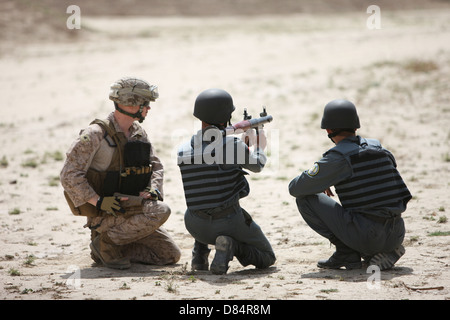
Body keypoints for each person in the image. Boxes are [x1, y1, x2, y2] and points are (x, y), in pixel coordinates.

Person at [60, 77, 181, 269]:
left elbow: (156, 165)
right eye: (145, 103)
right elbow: (69, 175)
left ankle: (113, 248)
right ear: (131, 103)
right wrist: (98, 201)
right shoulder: (95, 134)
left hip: (131, 209)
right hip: (106, 213)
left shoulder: (137, 132)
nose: (148, 108)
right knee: (161, 210)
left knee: (169, 255)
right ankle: (105, 243)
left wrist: (153, 190)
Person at [289, 99, 411, 270]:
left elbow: (295, 188)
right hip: (397, 231)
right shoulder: (379, 148)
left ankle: (347, 252)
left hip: (368, 235)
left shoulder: (338, 157)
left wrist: (323, 179)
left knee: (305, 199)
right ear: (356, 126)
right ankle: (383, 251)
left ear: (328, 130)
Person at [177, 88, 276, 275]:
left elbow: (211, 162)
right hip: (227, 221)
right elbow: (257, 165)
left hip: (194, 223)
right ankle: (231, 246)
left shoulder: (183, 148)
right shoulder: (231, 145)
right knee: (267, 257)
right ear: (225, 116)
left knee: (204, 194)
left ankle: (199, 256)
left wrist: (240, 145)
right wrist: (258, 146)